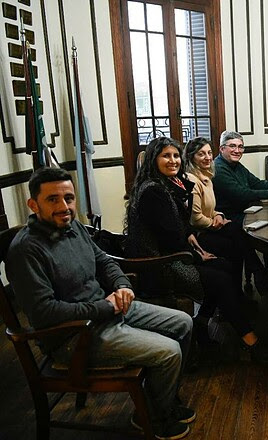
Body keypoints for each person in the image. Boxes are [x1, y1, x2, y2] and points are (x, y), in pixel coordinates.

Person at [5, 167, 195, 440]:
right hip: (73, 337)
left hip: (107, 310)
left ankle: (158, 401)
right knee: (168, 351)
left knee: (183, 322)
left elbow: (105, 261)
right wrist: (107, 306)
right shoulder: (26, 250)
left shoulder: (74, 228)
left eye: (69, 198)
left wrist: (122, 286)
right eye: (52, 200)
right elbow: (45, 312)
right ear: (33, 204)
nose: (64, 206)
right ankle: (155, 418)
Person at [125, 137, 268, 362]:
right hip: (160, 265)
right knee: (221, 276)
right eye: (166, 156)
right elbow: (172, 237)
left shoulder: (166, 185)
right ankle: (251, 342)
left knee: (225, 264)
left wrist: (194, 243)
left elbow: (182, 226)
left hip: (174, 254)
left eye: (176, 155)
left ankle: (204, 321)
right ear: (153, 160)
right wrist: (198, 254)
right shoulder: (154, 192)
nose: (173, 161)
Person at [183, 137, 268, 296]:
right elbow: (196, 218)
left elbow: (212, 206)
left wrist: (218, 214)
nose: (207, 157)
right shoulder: (194, 179)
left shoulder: (207, 175)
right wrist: (214, 222)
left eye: (209, 153)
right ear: (191, 157)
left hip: (215, 222)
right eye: (201, 154)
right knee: (238, 233)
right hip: (199, 234)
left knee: (237, 237)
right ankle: (257, 274)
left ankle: (243, 289)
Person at [212, 131, 268, 221]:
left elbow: (256, 183)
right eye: (232, 146)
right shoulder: (218, 168)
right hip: (228, 218)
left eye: (240, 147)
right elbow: (242, 195)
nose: (237, 151)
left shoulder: (236, 165)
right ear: (222, 149)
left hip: (244, 212)